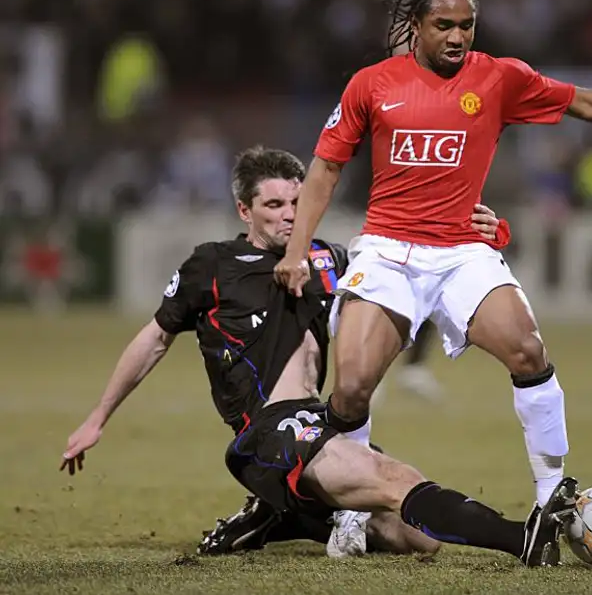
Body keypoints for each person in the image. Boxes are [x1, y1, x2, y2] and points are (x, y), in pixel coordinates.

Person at [273, 0, 592, 565]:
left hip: (461, 250)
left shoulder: (498, 77)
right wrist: (295, 251)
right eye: (444, 25)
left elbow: (580, 100)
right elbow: (326, 168)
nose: (457, 36)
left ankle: (550, 499)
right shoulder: (372, 84)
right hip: (388, 249)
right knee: (353, 385)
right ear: (415, 26)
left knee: (527, 349)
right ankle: (354, 509)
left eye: (467, 25)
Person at [60, 145, 539, 561]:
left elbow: (415, 278)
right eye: (274, 204)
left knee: (418, 539)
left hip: (324, 423)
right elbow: (154, 339)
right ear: (245, 210)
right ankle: (524, 538)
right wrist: (97, 418)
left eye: (297, 201)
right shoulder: (215, 264)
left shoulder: (330, 261)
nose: (290, 214)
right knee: (396, 479)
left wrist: (473, 234)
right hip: (268, 435)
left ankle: (283, 516)